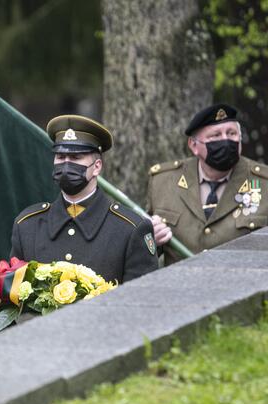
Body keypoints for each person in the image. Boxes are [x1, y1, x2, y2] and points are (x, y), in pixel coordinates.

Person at [10, 115, 158, 284]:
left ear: (97, 167)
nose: (66, 164)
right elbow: (15, 298)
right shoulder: (27, 225)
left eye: (75, 158)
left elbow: (141, 302)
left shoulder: (130, 228)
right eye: (60, 157)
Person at [147, 104, 268, 265]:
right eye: (215, 136)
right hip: (178, 286)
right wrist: (151, 240)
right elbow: (144, 250)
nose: (225, 140)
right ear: (193, 145)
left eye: (232, 133)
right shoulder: (163, 181)